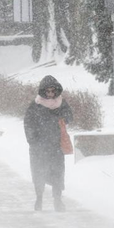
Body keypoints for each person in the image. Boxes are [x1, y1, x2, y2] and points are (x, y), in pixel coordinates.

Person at [24, 75, 73, 212]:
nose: (51, 94)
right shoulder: (36, 105)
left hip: (56, 146)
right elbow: (28, 123)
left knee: (57, 172)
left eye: (53, 91)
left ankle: (57, 199)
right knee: (39, 172)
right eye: (48, 91)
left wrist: (61, 116)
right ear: (43, 91)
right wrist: (33, 140)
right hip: (39, 147)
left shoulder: (61, 103)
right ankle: (39, 198)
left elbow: (70, 116)